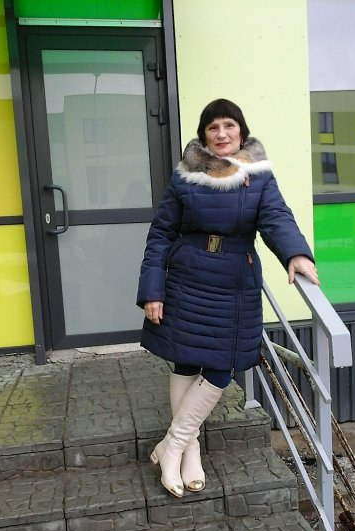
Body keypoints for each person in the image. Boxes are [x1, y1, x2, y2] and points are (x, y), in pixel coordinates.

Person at [136, 98, 319, 498]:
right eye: (213, 127)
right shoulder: (185, 177)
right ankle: (189, 452)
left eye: (229, 125)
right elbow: (161, 234)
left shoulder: (258, 176)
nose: (222, 134)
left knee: (222, 366)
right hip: (186, 279)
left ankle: (173, 445)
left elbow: (276, 217)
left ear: (241, 131)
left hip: (234, 282)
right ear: (204, 136)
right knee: (186, 361)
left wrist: (296, 253)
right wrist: (152, 289)